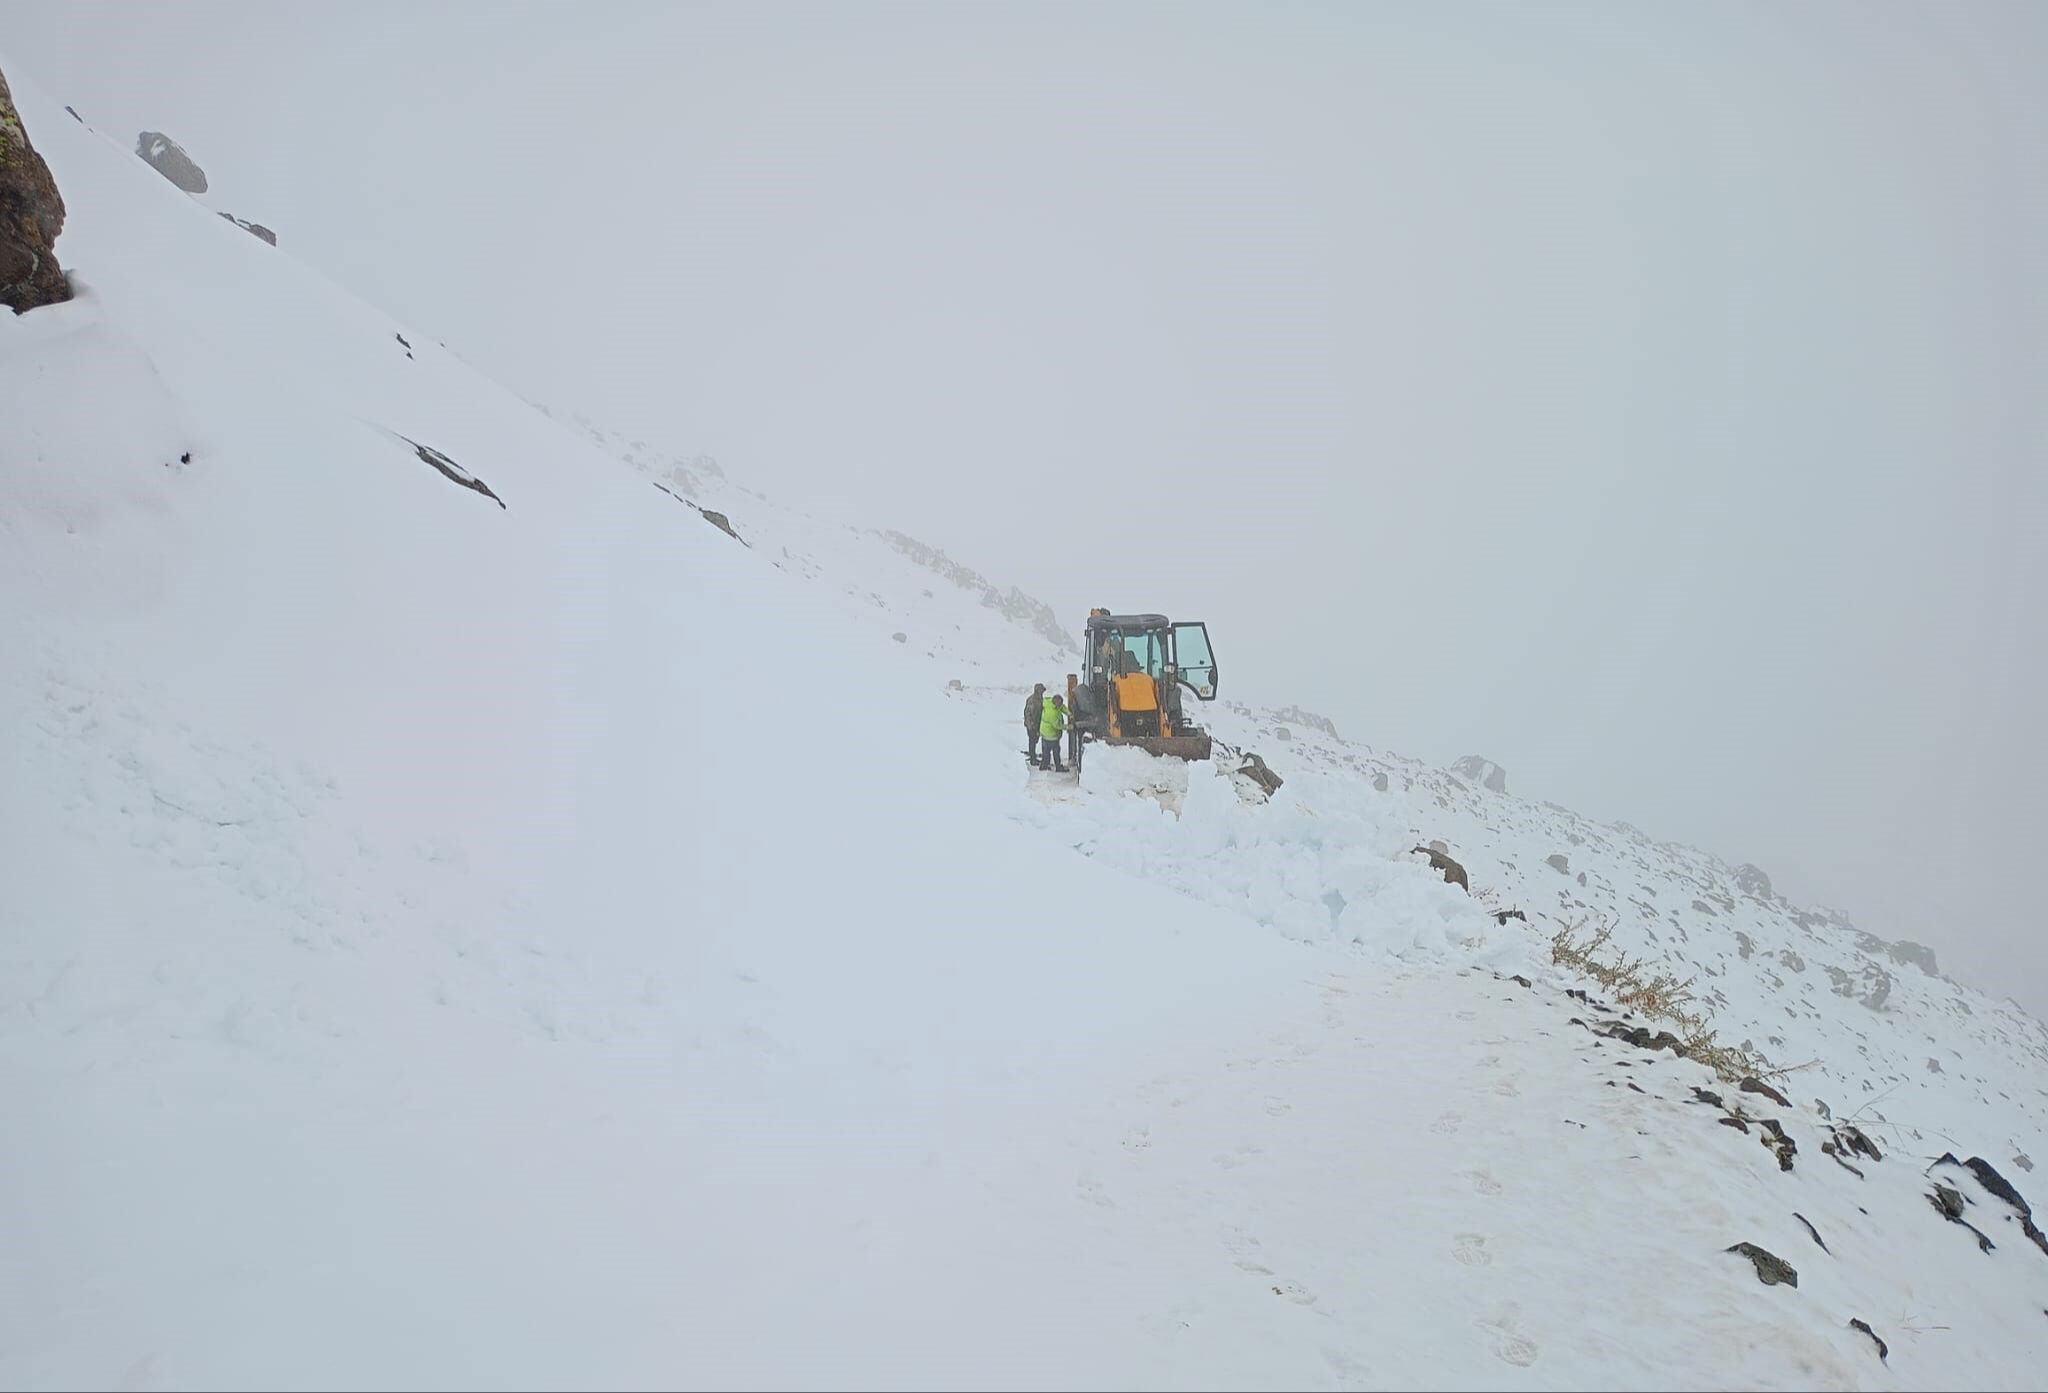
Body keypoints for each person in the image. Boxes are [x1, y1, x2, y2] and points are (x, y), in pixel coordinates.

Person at [1038, 693, 1068, 772]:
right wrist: (1068, 727)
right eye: (1059, 704)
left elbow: (1062, 707)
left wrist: (1069, 713)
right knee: (1056, 751)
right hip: (1051, 735)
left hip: (1044, 732)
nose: (1061, 706)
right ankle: (1058, 767)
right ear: (1056, 704)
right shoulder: (1052, 713)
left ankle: (1044, 765)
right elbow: (1057, 725)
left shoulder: (1048, 702)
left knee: (1045, 751)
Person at [1023, 682, 1045, 761]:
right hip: (1032, 724)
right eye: (1041, 690)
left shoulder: (1040, 699)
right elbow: (1028, 713)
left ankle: (1033, 755)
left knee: (1035, 740)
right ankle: (1033, 758)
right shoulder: (1032, 700)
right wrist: (1030, 725)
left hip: (1037, 724)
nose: (1042, 692)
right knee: (1032, 740)